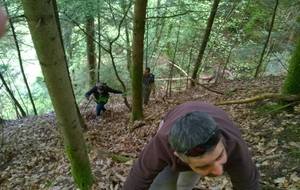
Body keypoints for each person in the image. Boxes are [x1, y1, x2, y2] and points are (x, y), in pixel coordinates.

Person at [123, 101, 260, 190]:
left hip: (209, 114)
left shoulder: (234, 145)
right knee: (162, 185)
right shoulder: (161, 146)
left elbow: (248, 185)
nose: (219, 171)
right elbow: (138, 178)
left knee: (185, 184)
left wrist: (203, 165)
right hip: (173, 119)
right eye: (204, 165)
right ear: (178, 156)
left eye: (219, 156)